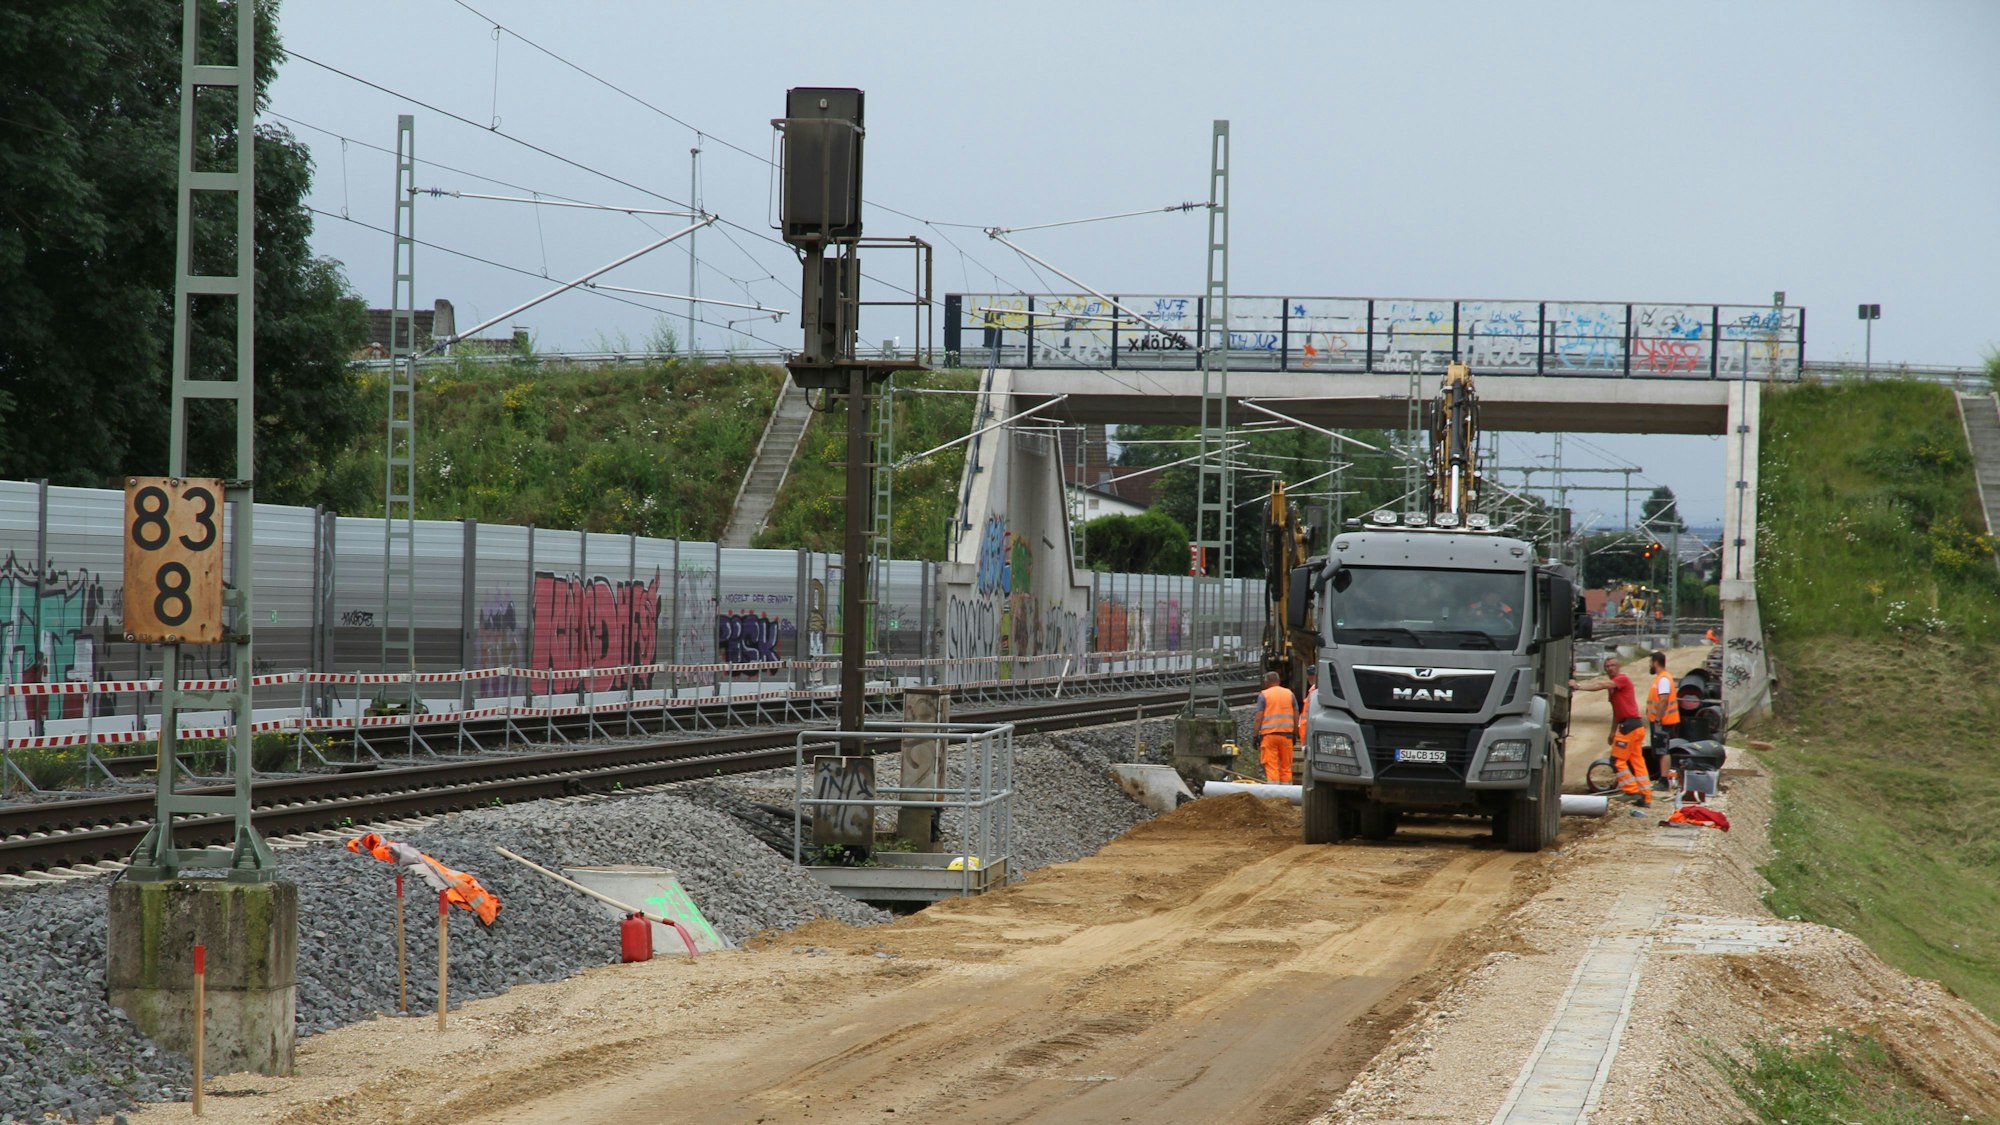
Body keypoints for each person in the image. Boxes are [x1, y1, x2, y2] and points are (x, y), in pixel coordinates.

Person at [1570, 655, 1650, 807]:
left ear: (1618, 667)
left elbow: (1600, 685)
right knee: (1637, 761)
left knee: (1617, 760)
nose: (1610, 668)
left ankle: (1631, 791)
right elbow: (1616, 711)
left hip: (1630, 727)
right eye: (1607, 666)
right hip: (1633, 726)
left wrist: (1578, 686)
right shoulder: (1613, 689)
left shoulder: (1621, 679)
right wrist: (1613, 731)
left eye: (1613, 665)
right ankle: (1645, 797)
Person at [1252, 671, 1299, 784]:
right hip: (1286, 736)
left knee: (1271, 766)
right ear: (1278, 681)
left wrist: (1255, 735)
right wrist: (1295, 734)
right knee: (1286, 767)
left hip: (1269, 736)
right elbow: (1296, 715)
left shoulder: (1264, 695)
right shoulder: (1289, 694)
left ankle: (1275, 793)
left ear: (1267, 682)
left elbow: (1259, 717)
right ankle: (1287, 793)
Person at [1644, 650, 1682, 787]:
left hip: (1662, 721)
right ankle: (1663, 778)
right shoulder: (1661, 678)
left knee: (1663, 750)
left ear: (1655, 663)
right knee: (1660, 750)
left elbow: (1664, 700)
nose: (1649, 665)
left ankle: (1664, 780)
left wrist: (1658, 718)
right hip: (1660, 720)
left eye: (1650, 662)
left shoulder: (1664, 679)